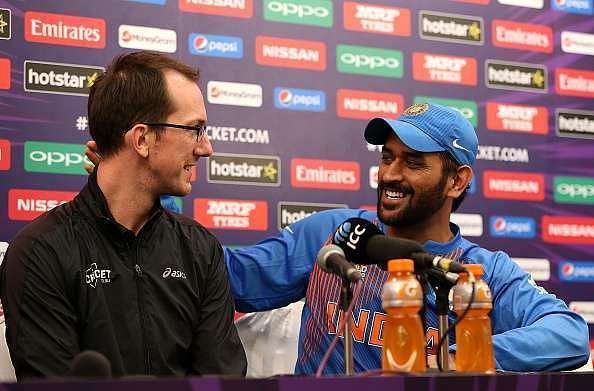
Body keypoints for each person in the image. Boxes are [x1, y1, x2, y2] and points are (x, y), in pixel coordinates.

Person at [224, 103, 590, 373]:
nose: (390, 174)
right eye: (387, 158)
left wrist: (456, 358)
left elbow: (568, 334)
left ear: (457, 181)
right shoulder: (338, 233)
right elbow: (226, 276)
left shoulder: (482, 271)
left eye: (413, 162)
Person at [0, 51, 247, 379]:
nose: (206, 148)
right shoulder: (39, 253)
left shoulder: (200, 249)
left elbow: (222, 381)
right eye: (195, 129)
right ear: (142, 139)